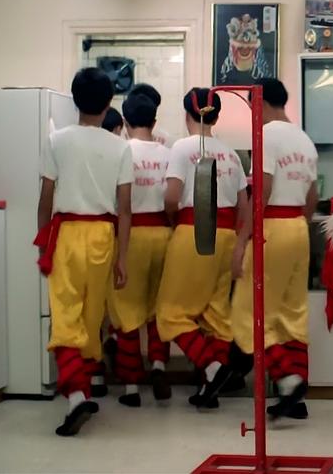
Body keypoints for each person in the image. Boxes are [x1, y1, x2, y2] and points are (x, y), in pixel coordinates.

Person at [35, 67, 133, 436]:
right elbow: (125, 209)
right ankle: (84, 389)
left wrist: (44, 241)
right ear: (109, 103)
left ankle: (76, 395)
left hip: (67, 234)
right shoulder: (120, 147)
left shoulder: (56, 140)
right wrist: (122, 258)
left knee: (65, 316)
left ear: (75, 101)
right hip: (103, 236)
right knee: (91, 319)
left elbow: (45, 199)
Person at [155, 87, 250, 409]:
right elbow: (244, 207)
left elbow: (172, 197)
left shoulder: (182, 148)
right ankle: (211, 388)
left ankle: (212, 367)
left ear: (187, 115)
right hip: (226, 238)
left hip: (194, 233)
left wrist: (173, 221)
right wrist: (239, 244)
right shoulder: (232, 155)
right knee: (217, 314)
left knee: (170, 313)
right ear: (216, 117)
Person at [231, 78, 319, 421]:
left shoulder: (265, 135)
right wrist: (299, 228)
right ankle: (295, 396)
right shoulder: (304, 139)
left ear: (260, 103)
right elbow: (312, 196)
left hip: (273, 228)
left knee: (248, 312)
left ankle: (287, 378)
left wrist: (242, 241)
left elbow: (262, 191)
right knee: (291, 313)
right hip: (298, 228)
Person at [105, 93, 173, 407]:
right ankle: (159, 365)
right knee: (158, 307)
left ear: (125, 122)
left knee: (126, 311)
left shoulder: (120, 152)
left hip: (129, 235)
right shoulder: (169, 153)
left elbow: (115, 201)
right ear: (154, 122)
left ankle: (131, 386)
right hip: (164, 233)